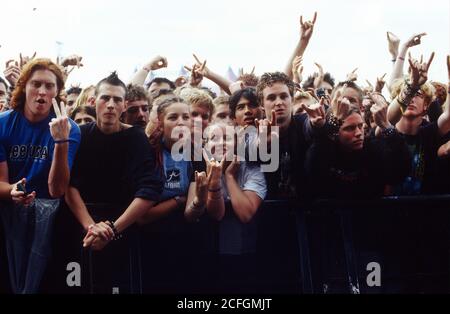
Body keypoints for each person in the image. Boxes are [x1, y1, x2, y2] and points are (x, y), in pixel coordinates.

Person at [65, 71, 162, 293]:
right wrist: (91, 227)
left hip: (123, 223)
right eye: (105, 98)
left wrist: (112, 229)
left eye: (117, 99)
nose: (110, 105)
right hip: (83, 224)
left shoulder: (136, 138)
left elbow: (149, 190)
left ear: (124, 105)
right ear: (93, 102)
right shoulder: (80, 134)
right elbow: (69, 186)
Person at [0, 58, 80, 293]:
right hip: (8, 212)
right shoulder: (4, 124)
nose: (42, 92)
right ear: (24, 86)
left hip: (48, 218)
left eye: (49, 86)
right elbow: (1, 183)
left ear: (58, 92)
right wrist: (12, 191)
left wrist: (61, 142)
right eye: (36, 84)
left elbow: (57, 190)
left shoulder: (69, 129)